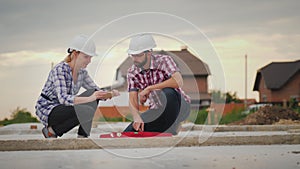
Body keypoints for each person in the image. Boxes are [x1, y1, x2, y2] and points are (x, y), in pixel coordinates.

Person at [35, 34, 119, 138]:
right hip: (49, 109)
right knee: (86, 110)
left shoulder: (82, 72)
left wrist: (110, 93)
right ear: (75, 54)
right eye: (86, 57)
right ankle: (52, 131)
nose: (89, 61)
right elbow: (63, 99)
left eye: (90, 57)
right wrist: (90, 98)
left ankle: (83, 136)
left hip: (65, 107)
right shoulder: (60, 70)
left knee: (93, 93)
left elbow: (96, 90)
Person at [123, 34, 191, 135]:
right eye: (133, 55)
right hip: (157, 110)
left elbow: (178, 81)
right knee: (132, 130)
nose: (134, 59)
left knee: (167, 92)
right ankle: (166, 127)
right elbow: (132, 98)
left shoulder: (164, 61)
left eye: (138, 55)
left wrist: (150, 88)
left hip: (180, 107)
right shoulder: (132, 72)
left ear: (149, 53)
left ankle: (171, 128)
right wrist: (136, 117)